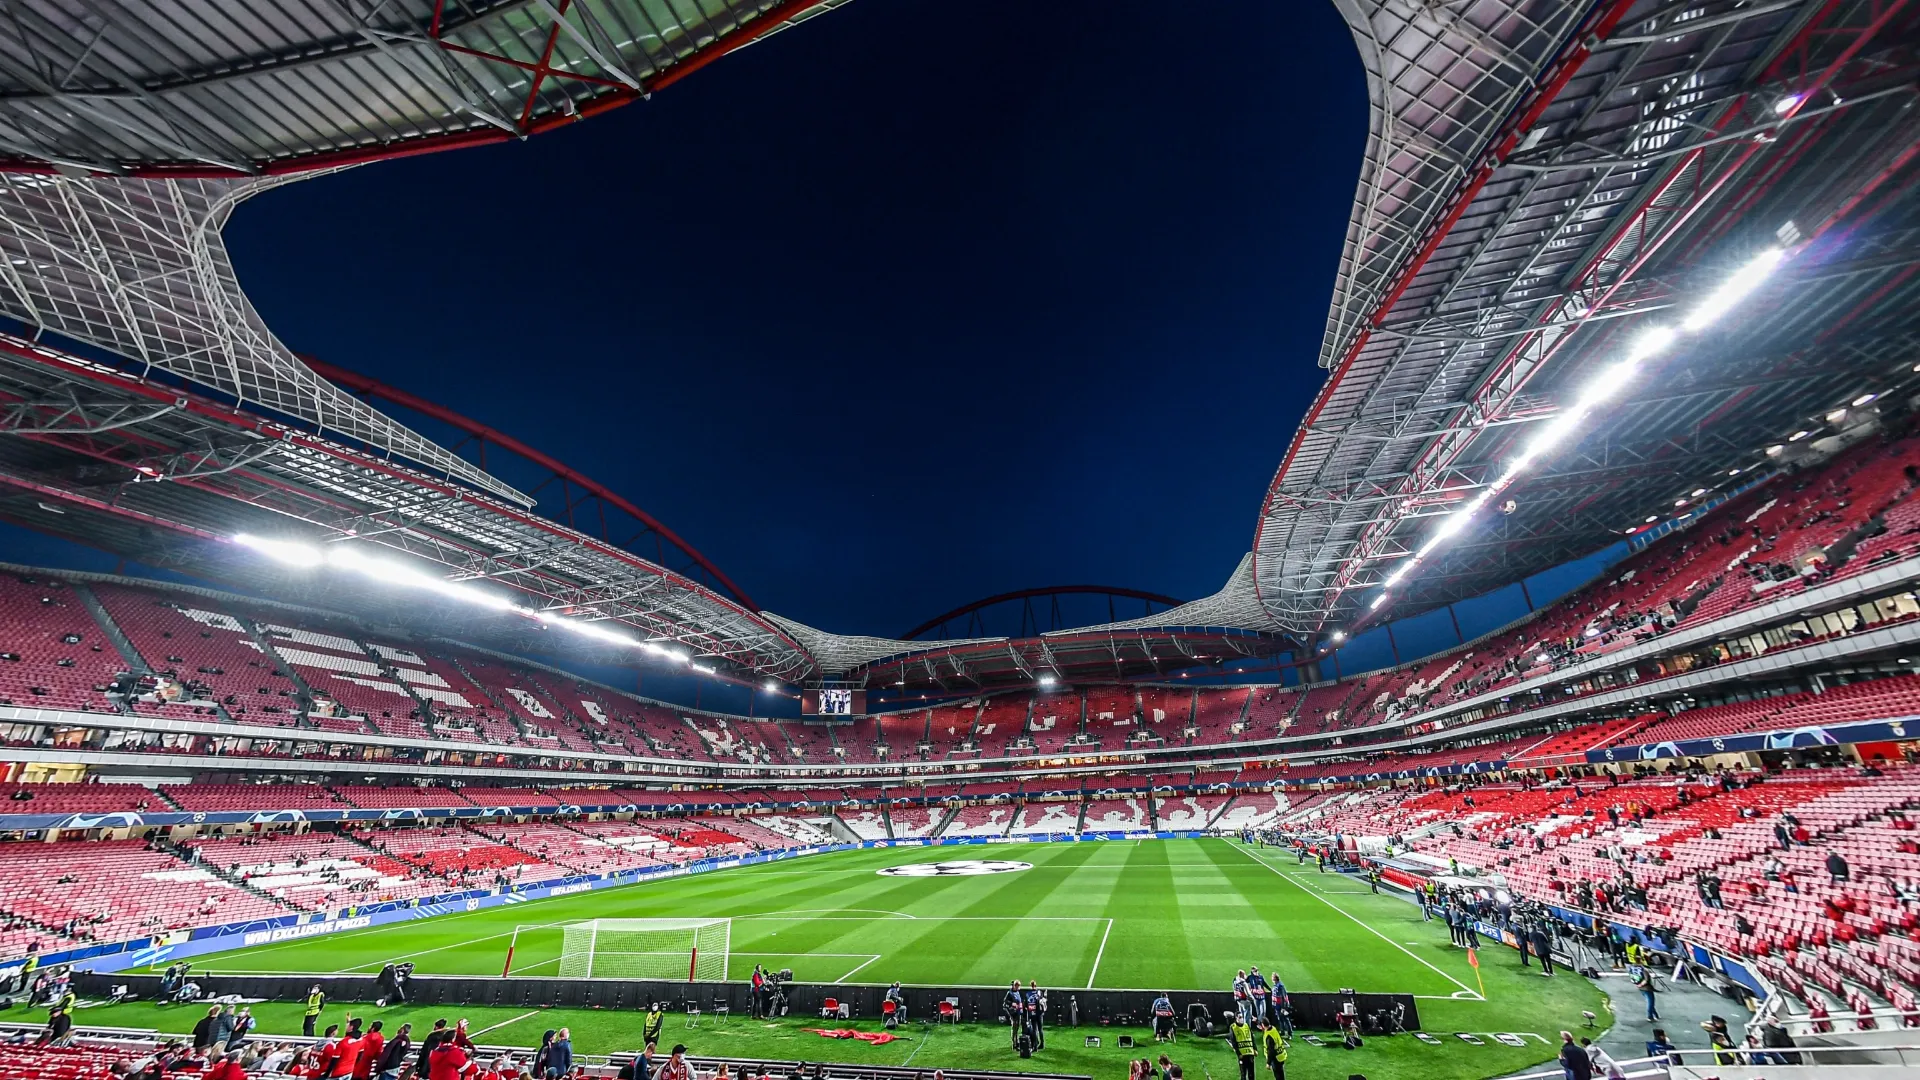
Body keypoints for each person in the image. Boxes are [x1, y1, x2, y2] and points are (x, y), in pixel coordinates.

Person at [1002, 981, 1024, 1048]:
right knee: (1014, 1028)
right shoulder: (1010, 993)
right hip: (1013, 1013)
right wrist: (1011, 1003)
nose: (1018, 987)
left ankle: (1016, 1042)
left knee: (1017, 1027)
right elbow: (1005, 1001)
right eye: (1017, 986)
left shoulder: (1017, 992)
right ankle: (1014, 1043)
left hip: (1018, 1012)